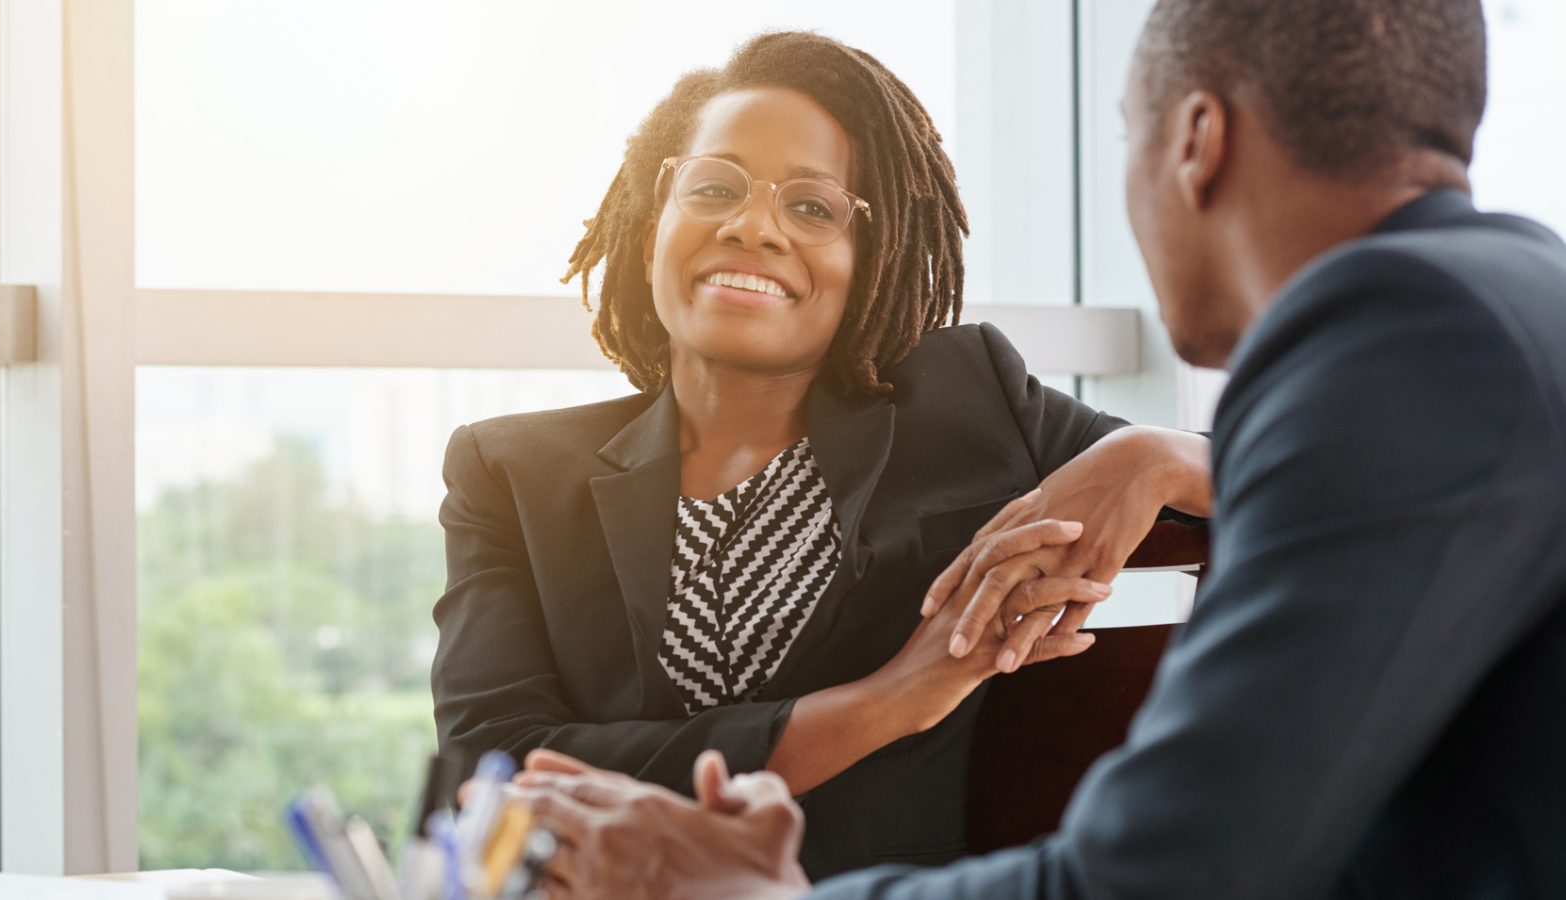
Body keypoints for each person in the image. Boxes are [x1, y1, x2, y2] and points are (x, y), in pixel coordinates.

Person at [510, 1, 1566, 897]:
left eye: (1124, 137)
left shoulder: (1403, 339)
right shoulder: (1509, 303)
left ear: (1197, 140)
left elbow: (1155, 880)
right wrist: (1158, 455)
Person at [430, 31, 1212, 881]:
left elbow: (1307, 478)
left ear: (869, 259)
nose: (752, 226)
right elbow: (491, 772)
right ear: (653, 220)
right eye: (714, 187)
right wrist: (891, 702)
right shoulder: (509, 474)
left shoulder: (969, 404)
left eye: (812, 207)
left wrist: (1152, 453)